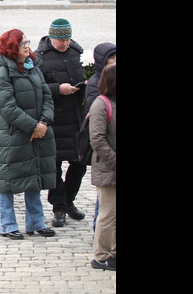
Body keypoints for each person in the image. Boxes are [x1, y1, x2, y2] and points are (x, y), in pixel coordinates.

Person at [0, 29, 57, 240]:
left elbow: (47, 97)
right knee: (8, 180)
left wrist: (44, 122)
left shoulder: (34, 68)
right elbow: (7, 107)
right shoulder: (3, 72)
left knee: (34, 176)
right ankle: (8, 224)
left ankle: (36, 222)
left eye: (27, 42)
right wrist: (32, 126)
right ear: (11, 48)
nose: (27, 46)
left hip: (38, 133)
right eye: (22, 44)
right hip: (15, 135)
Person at [37, 18, 87, 228]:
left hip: (76, 118)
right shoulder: (41, 57)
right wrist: (58, 89)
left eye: (67, 39)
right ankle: (59, 208)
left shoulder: (75, 53)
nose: (65, 43)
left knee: (80, 163)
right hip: (55, 119)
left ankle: (68, 200)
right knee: (54, 166)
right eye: (61, 40)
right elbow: (37, 87)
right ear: (52, 38)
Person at [89, 63, 116, 271]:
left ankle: (112, 251)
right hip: (107, 168)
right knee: (107, 213)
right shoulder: (101, 104)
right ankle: (101, 256)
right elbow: (97, 139)